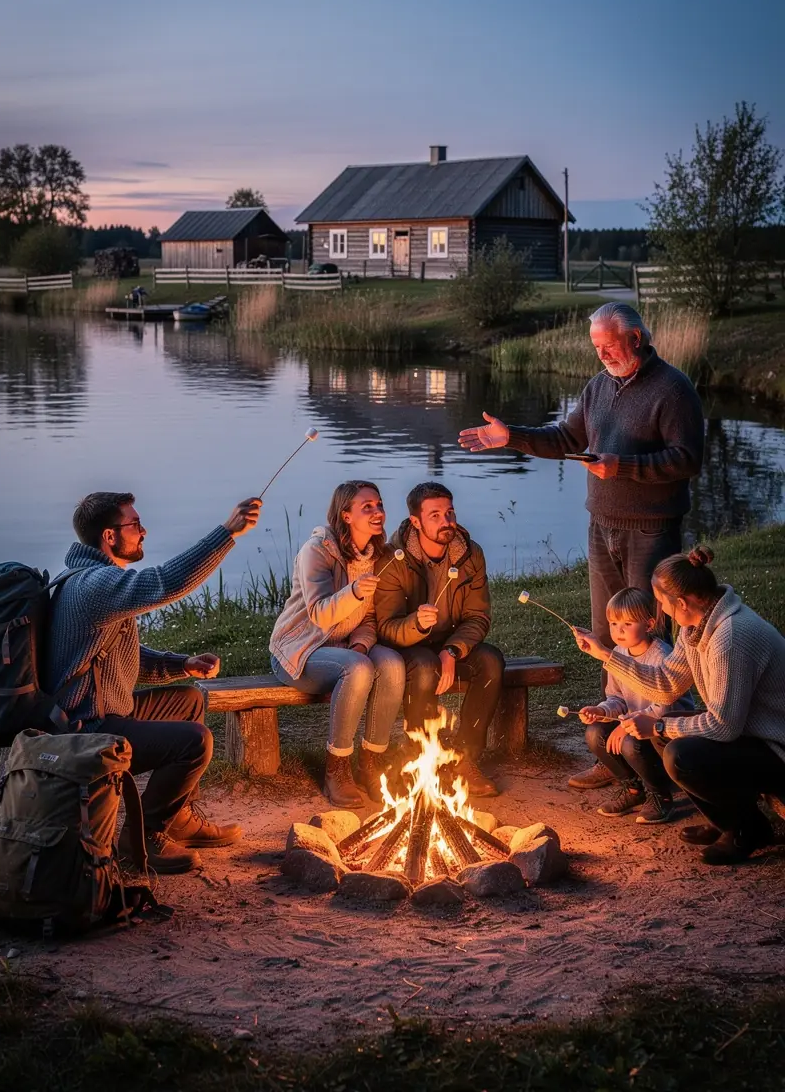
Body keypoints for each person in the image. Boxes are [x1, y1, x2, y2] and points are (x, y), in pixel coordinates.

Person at [458, 302, 704, 790]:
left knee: (648, 637)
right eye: (596, 347)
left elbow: (687, 459)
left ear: (636, 339)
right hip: (602, 525)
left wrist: (623, 467)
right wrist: (512, 437)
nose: (602, 355)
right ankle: (612, 748)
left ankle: (658, 749)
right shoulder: (598, 388)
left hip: (652, 528)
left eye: (608, 346)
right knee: (607, 633)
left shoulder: (673, 388)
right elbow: (564, 439)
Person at [46, 491, 261, 875]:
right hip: (88, 728)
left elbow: (118, 656)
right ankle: (142, 837)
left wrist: (181, 664)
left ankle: (178, 819)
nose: (144, 531)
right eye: (135, 525)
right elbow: (165, 583)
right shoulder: (94, 585)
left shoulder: (89, 580)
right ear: (109, 536)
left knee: (189, 701)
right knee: (195, 742)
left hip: (104, 710)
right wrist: (227, 532)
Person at [573, 546, 785, 865]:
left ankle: (747, 829)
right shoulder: (696, 626)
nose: (661, 610)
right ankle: (725, 819)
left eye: (662, 602)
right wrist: (604, 654)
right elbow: (666, 684)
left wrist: (659, 725)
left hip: (776, 746)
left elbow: (723, 726)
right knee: (667, 736)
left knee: (680, 753)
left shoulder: (730, 637)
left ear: (682, 603)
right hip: (749, 733)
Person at [269, 481, 406, 809]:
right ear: (346, 515)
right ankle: (338, 769)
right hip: (300, 649)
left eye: (379, 504)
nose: (377, 512)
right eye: (367, 507)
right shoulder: (316, 551)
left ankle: (371, 764)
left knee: (391, 664)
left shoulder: (376, 556)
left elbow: (369, 618)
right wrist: (354, 592)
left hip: (345, 647)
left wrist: (360, 646)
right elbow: (319, 614)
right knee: (357, 669)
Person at [373, 481, 503, 799]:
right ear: (416, 521)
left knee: (490, 661)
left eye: (449, 512)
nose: (447, 521)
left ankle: (465, 759)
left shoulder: (470, 554)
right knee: (424, 666)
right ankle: (419, 759)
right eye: (435, 515)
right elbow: (386, 627)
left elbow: (477, 616)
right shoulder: (393, 559)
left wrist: (452, 650)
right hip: (409, 646)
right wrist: (416, 624)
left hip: (450, 643)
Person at [577, 587, 694, 824]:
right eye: (613, 623)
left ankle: (660, 794)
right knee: (594, 733)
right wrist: (602, 711)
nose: (618, 630)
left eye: (627, 624)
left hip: (664, 730)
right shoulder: (618, 653)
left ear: (649, 625)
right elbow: (617, 698)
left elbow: (664, 707)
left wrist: (624, 726)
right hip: (634, 724)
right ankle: (632, 788)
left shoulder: (661, 656)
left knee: (629, 743)